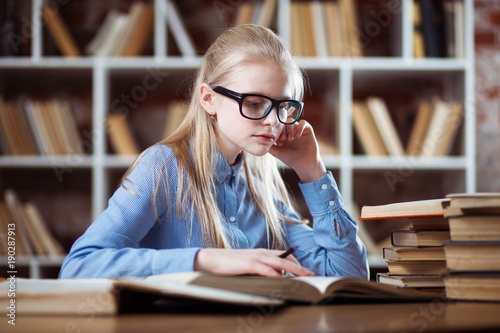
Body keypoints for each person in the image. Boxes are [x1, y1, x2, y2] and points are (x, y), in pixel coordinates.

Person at [59, 24, 368, 279]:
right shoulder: (164, 168)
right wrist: (202, 260)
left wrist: (312, 171)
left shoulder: (264, 189)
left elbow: (350, 276)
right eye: (255, 103)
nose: (274, 121)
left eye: (283, 106)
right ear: (208, 99)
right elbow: (77, 268)